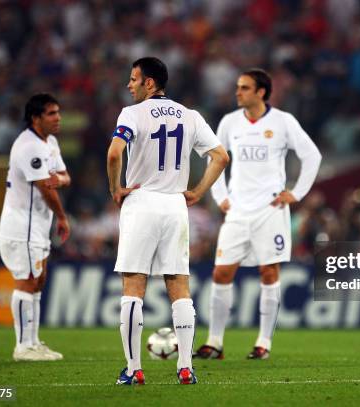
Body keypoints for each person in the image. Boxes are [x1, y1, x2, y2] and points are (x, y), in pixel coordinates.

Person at [107, 57, 228, 385]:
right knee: (179, 287)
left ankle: (133, 370)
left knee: (134, 287)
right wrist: (199, 191)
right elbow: (221, 156)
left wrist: (115, 189)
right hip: (176, 205)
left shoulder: (131, 114)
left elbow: (115, 153)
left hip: (141, 202)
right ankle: (186, 367)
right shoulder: (190, 116)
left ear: (150, 83)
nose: (129, 85)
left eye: (134, 79)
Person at [195, 68, 322, 360]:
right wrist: (220, 196)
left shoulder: (283, 121)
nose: (237, 92)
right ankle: (215, 341)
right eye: (238, 87)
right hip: (237, 210)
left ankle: (263, 342)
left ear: (261, 92)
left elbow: (312, 155)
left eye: (244, 88)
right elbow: (214, 158)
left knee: (269, 272)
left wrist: (297, 192)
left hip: (270, 210)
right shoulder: (229, 122)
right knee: (221, 272)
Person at [0, 93, 71, 361]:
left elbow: (64, 177)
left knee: (38, 281)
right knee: (27, 281)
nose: (58, 117)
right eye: (52, 113)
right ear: (35, 118)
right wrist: (62, 217)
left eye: (58, 112)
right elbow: (45, 189)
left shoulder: (50, 142)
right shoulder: (29, 147)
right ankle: (22, 346)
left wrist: (59, 181)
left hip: (37, 227)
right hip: (22, 226)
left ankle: (33, 341)